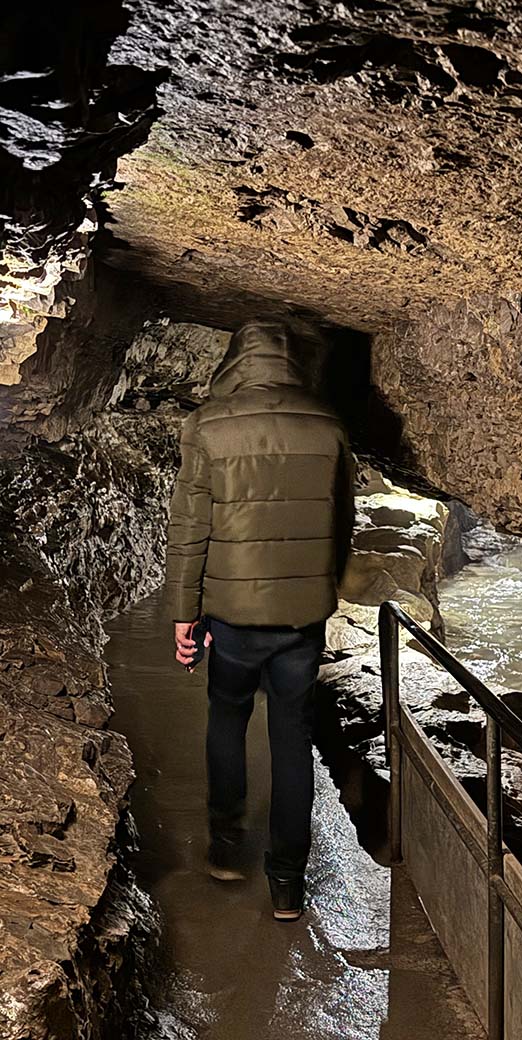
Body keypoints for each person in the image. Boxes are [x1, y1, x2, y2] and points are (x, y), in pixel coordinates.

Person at [165, 320, 355, 921]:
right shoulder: (327, 425)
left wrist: (183, 614)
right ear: (291, 363)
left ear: (235, 362)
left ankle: (225, 848)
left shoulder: (209, 426)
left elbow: (189, 529)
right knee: (292, 741)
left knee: (227, 720)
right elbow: (342, 522)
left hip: (233, 618)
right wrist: (324, 588)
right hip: (301, 621)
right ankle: (287, 884)